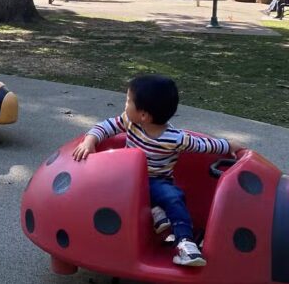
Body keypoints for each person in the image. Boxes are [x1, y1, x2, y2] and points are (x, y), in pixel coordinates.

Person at [72, 74, 243, 267]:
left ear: (143, 114)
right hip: (126, 178)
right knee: (102, 188)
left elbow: (204, 145)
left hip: (157, 181)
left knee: (174, 197)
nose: (125, 105)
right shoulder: (129, 122)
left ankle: (185, 244)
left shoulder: (176, 138)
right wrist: (90, 140)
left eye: (128, 100)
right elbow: (105, 127)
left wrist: (229, 146)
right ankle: (154, 213)